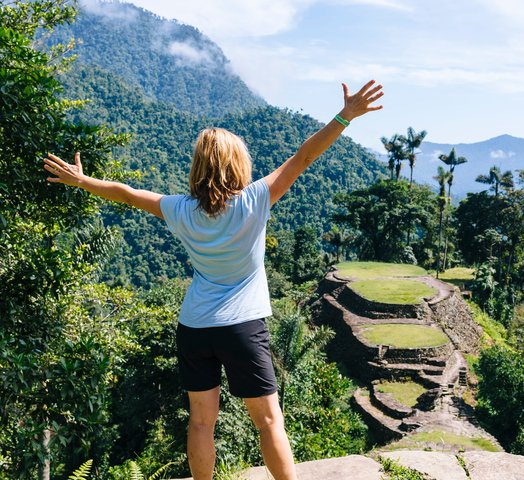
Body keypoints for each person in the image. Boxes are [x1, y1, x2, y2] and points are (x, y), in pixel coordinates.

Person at [43, 80, 383, 480]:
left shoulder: (180, 210)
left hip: (194, 328)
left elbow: (127, 193)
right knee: (269, 421)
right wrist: (346, 116)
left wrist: (84, 182)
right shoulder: (256, 200)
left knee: (201, 423)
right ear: (239, 163)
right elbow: (303, 156)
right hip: (241, 327)